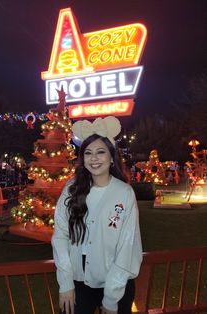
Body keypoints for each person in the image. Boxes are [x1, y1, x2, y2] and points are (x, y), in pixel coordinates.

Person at [52, 116, 143, 314]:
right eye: (88, 153)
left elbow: (127, 247)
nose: (94, 158)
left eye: (101, 152)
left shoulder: (124, 193)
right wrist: (66, 283)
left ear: (112, 158)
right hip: (78, 282)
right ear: (82, 159)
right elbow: (60, 236)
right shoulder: (71, 189)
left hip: (116, 284)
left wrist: (110, 300)